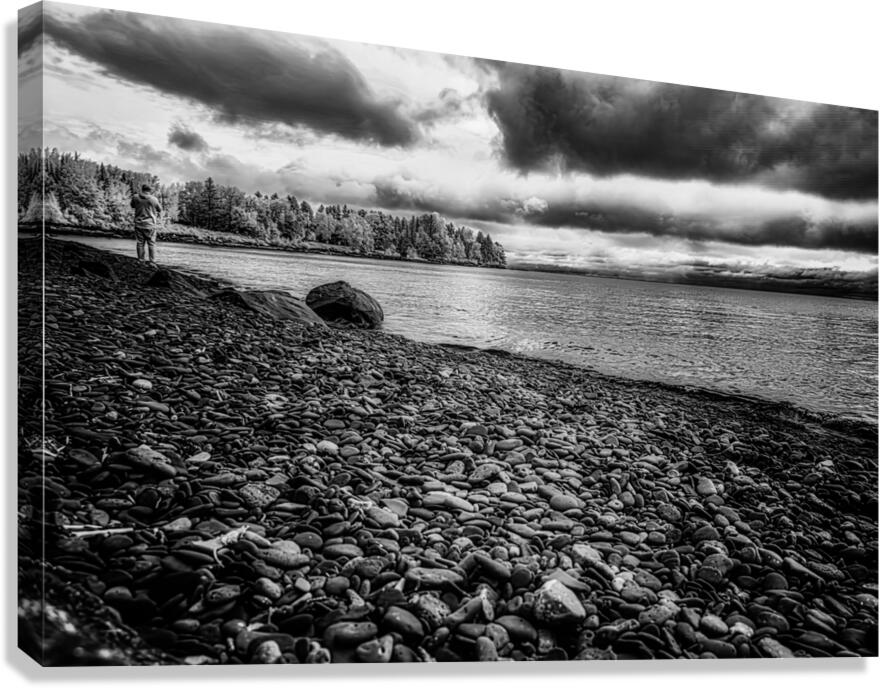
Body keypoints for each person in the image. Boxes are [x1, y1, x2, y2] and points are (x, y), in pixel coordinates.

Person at [130, 184, 162, 264]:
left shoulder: (135, 197)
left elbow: (132, 205)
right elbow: (160, 209)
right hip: (150, 225)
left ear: (142, 189)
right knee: (151, 244)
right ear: (150, 190)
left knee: (140, 243)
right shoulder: (154, 199)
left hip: (139, 224)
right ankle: (152, 262)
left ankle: (141, 260)